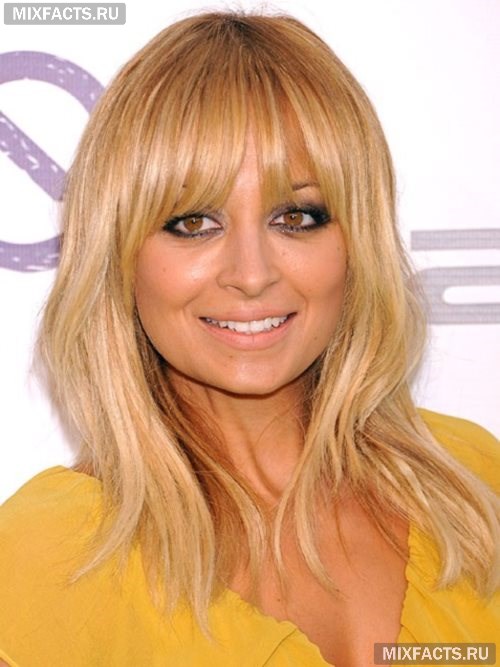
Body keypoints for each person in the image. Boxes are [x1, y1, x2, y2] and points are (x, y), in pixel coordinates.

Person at [0, 10, 498, 667]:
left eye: (296, 217)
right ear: (118, 253)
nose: (252, 273)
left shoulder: (472, 481)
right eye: (193, 222)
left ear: (357, 242)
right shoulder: (44, 559)